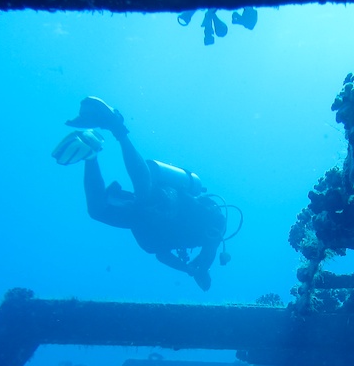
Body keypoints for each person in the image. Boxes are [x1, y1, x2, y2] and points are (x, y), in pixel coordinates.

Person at [54, 97, 227, 290]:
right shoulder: (214, 225)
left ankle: (90, 154)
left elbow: (162, 255)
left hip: (150, 219)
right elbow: (207, 256)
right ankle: (117, 127)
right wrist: (198, 271)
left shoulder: (185, 240)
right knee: (146, 193)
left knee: (97, 211)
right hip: (173, 202)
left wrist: (188, 269)